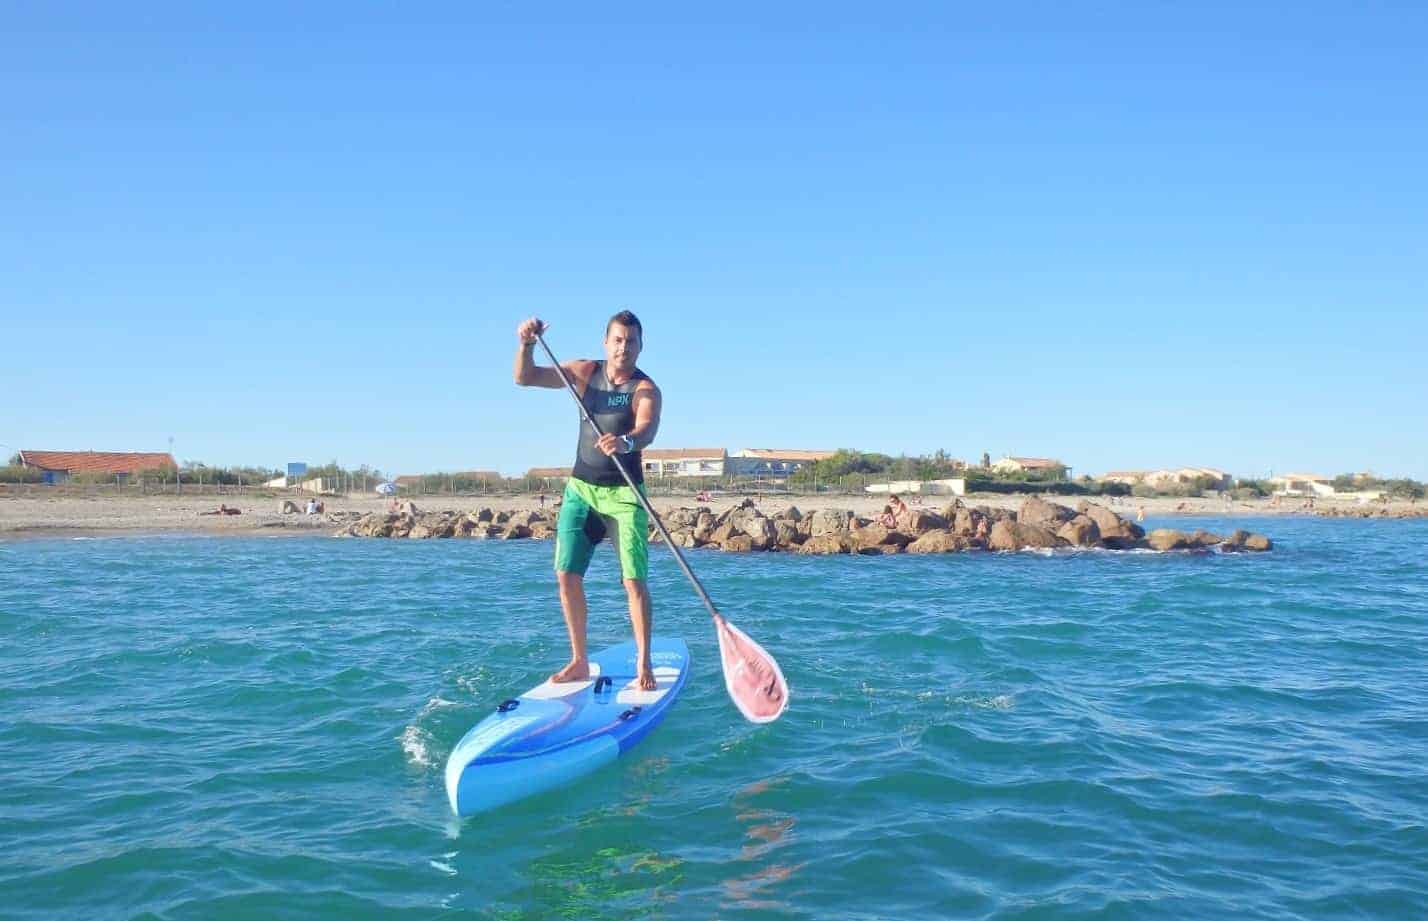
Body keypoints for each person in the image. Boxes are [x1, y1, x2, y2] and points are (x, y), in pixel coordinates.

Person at [515, 311, 663, 691]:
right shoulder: (583, 373)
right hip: (581, 490)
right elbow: (525, 377)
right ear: (605, 342)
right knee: (566, 574)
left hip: (625, 495)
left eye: (631, 342)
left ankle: (643, 662)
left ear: (640, 346)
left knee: (633, 582)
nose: (623, 348)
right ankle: (579, 660)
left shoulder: (645, 389)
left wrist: (626, 441)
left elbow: (646, 428)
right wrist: (527, 345)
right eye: (617, 340)